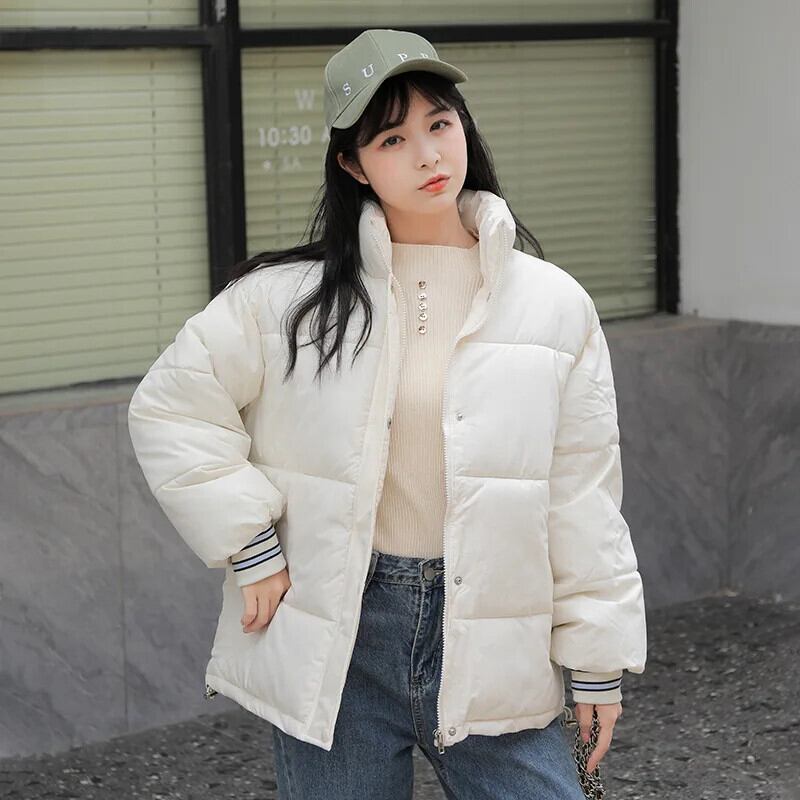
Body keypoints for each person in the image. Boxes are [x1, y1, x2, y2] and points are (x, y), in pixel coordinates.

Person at [127, 27, 647, 800]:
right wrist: (250, 547)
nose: (429, 155)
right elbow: (171, 408)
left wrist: (597, 659)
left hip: (494, 630)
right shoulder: (287, 302)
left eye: (440, 123)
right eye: (393, 139)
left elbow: (583, 492)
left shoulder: (553, 304)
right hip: (339, 634)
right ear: (352, 163)